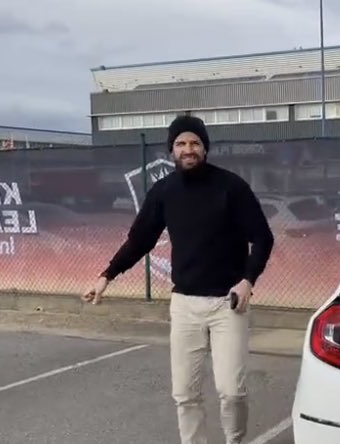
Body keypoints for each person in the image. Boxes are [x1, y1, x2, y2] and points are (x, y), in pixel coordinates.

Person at [81, 115, 275, 444]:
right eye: (181, 144)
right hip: (184, 305)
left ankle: (235, 439)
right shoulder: (163, 192)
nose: (188, 149)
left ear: (205, 148)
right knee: (185, 394)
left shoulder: (231, 187)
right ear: (171, 150)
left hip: (228, 304)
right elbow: (139, 241)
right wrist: (106, 276)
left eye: (195, 143)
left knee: (231, 392)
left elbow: (263, 238)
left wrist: (247, 280)